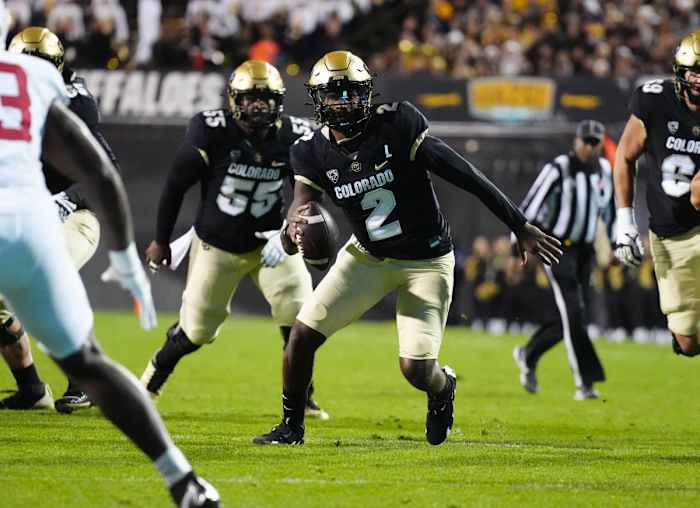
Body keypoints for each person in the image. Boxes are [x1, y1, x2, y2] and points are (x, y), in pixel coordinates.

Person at [253, 50, 562, 446]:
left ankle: (442, 388)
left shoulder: (397, 125)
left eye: (352, 92)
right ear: (318, 100)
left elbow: (464, 173)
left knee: (416, 370)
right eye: (334, 94)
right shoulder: (310, 151)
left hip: (426, 261)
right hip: (367, 257)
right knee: (302, 335)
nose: (344, 102)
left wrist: (518, 224)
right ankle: (292, 427)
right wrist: (293, 229)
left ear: (367, 94)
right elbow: (303, 203)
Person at [0, 11, 218, 507]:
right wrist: (124, 255)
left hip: (56, 216)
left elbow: (99, 169)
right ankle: (183, 479)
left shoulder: (57, 87)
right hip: (29, 223)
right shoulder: (35, 80)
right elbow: (100, 170)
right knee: (89, 359)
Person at [141, 60, 329, 419]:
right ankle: (151, 379)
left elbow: (309, 193)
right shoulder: (210, 129)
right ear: (233, 100)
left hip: (272, 242)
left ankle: (302, 395)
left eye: (266, 98)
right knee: (197, 331)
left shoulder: (295, 135)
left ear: (279, 101)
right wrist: (161, 240)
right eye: (249, 98)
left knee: (299, 316)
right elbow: (176, 185)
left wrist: (289, 234)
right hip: (218, 244)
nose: (258, 106)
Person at [0, 26, 119, 413]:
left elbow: (106, 170)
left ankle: (83, 382)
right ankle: (32, 389)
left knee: (45, 278)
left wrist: (66, 200)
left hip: (75, 216)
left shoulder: (73, 102)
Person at [512, 120, 616, 400]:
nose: (592, 147)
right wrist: (517, 242)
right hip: (557, 248)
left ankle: (528, 354)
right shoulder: (559, 168)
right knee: (575, 313)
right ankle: (585, 383)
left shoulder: (605, 170)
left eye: (597, 142)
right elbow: (529, 206)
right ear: (576, 142)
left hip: (586, 251)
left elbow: (610, 212)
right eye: (588, 141)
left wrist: (618, 244)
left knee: (570, 318)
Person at [614, 30, 700, 357]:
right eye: (695, 71)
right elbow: (624, 156)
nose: (699, 80)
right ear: (680, 72)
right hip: (671, 235)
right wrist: (624, 223)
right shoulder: (655, 100)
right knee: (688, 343)